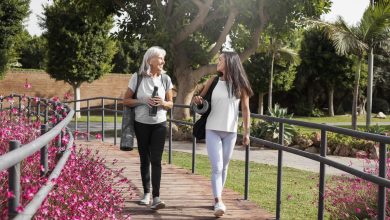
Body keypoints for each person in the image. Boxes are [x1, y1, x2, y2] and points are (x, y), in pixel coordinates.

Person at [192, 51, 253, 217]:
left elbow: (246, 110)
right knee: (217, 167)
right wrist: (198, 100)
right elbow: (200, 100)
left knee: (224, 167)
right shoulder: (213, 81)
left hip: (231, 132)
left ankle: (217, 199)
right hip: (212, 129)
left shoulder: (240, 85)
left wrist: (246, 132)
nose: (217, 62)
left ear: (229, 63)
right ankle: (218, 200)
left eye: (220, 60)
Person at [123, 46, 173, 210]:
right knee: (145, 158)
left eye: (163, 59)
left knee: (156, 160)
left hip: (159, 124)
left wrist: (163, 103)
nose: (163, 61)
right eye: (160, 58)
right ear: (150, 59)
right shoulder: (137, 77)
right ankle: (146, 193)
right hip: (141, 124)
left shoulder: (165, 79)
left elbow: (170, 103)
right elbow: (126, 100)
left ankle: (156, 197)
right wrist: (143, 101)